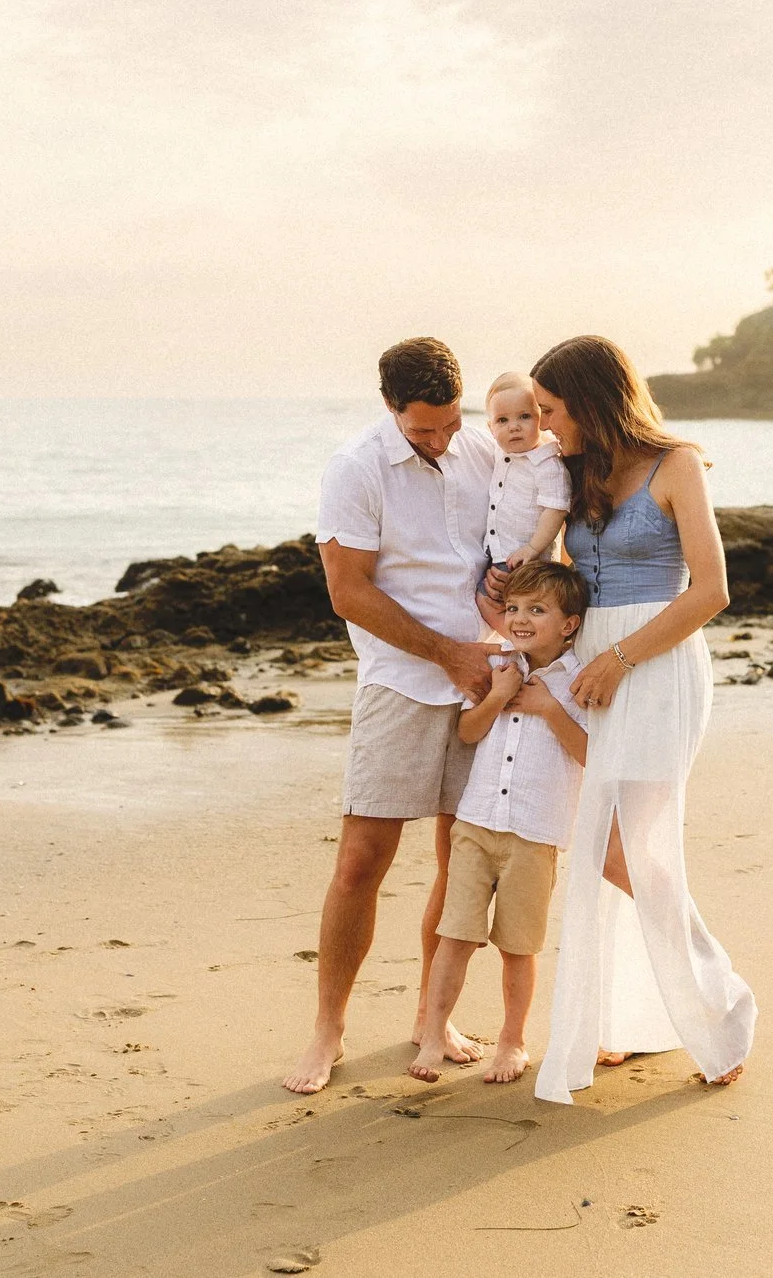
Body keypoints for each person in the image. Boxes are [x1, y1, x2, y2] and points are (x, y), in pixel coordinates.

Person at [526, 334, 757, 1105]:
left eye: (553, 409)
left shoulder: (676, 465)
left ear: (591, 400)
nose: (546, 424)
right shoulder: (573, 470)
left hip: (653, 666)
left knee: (639, 849)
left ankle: (718, 1010)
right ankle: (621, 1014)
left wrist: (619, 657)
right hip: (589, 667)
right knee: (599, 844)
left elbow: (712, 589)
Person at [283, 337, 500, 1096]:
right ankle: (329, 1028)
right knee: (360, 863)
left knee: (461, 860)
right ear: (389, 409)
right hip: (401, 684)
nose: (441, 440)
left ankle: (431, 1016)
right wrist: (446, 652)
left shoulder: (481, 451)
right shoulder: (354, 468)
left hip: (485, 683)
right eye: (423, 430)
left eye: (449, 423)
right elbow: (349, 591)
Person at [410, 561, 590, 1086]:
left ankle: (512, 1042)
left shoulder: (578, 679)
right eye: (513, 608)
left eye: (538, 609)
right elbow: (467, 733)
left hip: (535, 834)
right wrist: (496, 695)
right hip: (476, 823)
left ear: (569, 624)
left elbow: (590, 755)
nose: (521, 619)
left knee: (518, 945)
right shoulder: (498, 669)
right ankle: (433, 1034)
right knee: (455, 937)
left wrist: (550, 709)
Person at [474, 372, 571, 633]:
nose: (514, 426)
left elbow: (556, 509)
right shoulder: (501, 453)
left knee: (494, 600)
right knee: (505, 603)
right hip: (499, 552)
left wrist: (531, 548)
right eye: (502, 420)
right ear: (490, 428)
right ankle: (523, 644)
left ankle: (524, 644)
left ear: (541, 419)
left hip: (527, 557)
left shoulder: (547, 463)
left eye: (525, 417)